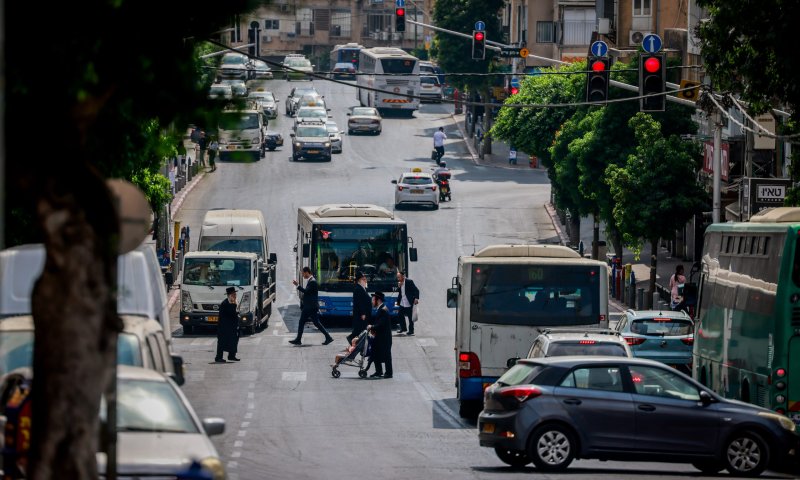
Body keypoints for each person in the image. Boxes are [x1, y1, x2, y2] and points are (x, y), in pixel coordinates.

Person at [290, 267, 334, 346]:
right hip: (310, 306)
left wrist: (297, 285)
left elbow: (306, 292)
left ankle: (298, 339)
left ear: (307, 272)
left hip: (310, 306)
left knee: (302, 322)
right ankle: (328, 337)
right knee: (316, 323)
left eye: (303, 273)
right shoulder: (311, 281)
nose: (303, 275)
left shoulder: (312, 282)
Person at [366, 291, 392, 379]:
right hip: (380, 337)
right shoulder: (380, 309)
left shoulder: (383, 310)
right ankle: (378, 371)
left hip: (384, 338)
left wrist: (371, 326)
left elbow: (381, 324)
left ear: (379, 300)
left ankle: (389, 373)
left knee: (386, 355)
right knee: (375, 353)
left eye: (373, 300)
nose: (372, 302)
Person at [215, 287, 241, 362]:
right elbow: (231, 313)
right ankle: (218, 357)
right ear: (229, 295)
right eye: (233, 294)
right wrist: (235, 307)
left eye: (235, 294)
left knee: (233, 340)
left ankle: (232, 356)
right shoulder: (225, 303)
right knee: (222, 342)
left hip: (232, 326)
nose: (235, 296)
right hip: (224, 327)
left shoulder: (234, 302)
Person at [347, 272, 372, 343]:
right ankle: (353, 342)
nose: (365, 280)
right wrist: (363, 313)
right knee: (359, 330)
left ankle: (355, 343)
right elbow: (360, 303)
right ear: (359, 280)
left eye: (365, 279)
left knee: (359, 330)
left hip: (363, 314)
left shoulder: (362, 288)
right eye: (363, 279)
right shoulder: (358, 289)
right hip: (360, 315)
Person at [396, 270, 420, 335]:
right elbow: (400, 292)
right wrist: (399, 286)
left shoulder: (409, 282)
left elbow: (416, 290)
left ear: (403, 276)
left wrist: (416, 298)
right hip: (402, 302)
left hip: (409, 302)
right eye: (397, 277)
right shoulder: (399, 283)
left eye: (399, 277)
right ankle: (403, 328)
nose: (398, 279)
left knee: (410, 317)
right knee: (400, 315)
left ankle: (411, 331)